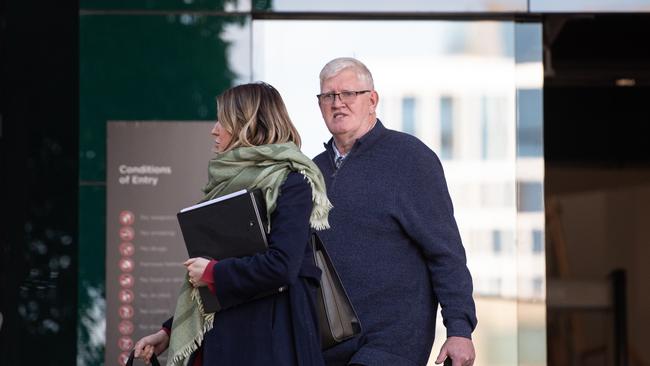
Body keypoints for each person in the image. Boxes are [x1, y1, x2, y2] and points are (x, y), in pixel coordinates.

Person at [133, 82, 332, 366]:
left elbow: (283, 266)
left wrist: (213, 271)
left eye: (223, 121)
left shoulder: (292, 182)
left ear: (248, 125)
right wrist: (168, 331)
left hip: (269, 345)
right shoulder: (226, 184)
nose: (214, 129)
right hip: (222, 340)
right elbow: (222, 271)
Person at [312, 57, 478, 366]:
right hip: (327, 344)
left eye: (348, 93)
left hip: (392, 343)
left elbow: (445, 252)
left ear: (372, 100)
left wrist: (459, 328)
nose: (338, 103)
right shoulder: (311, 172)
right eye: (328, 96)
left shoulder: (410, 159)